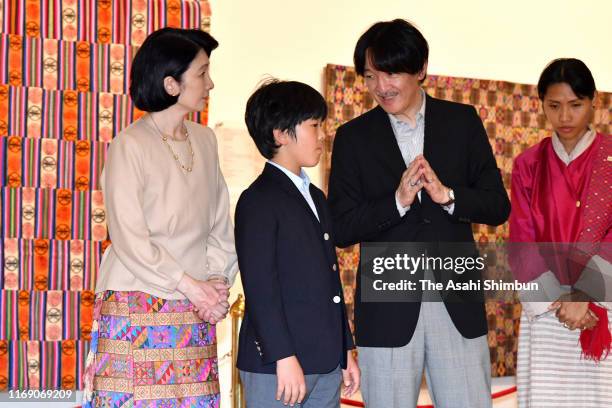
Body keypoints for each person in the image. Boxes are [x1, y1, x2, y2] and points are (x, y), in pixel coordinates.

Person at [328, 19, 510, 408]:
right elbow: (340, 227)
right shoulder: (352, 137)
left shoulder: (463, 121)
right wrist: (396, 201)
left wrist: (448, 197)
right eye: (371, 75)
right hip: (387, 306)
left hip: (456, 304)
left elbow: (497, 205)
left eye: (391, 72)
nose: (381, 86)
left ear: (421, 69)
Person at [82, 28, 237, 407]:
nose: (210, 83)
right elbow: (129, 238)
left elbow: (220, 225)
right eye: (202, 73)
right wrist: (190, 285)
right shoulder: (128, 146)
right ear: (171, 83)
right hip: (138, 302)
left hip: (194, 307)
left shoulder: (206, 140)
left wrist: (216, 283)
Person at [235, 79, 360, 407]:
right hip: (278, 366)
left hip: (325, 360)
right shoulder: (258, 199)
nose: (322, 135)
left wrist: (345, 348)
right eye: (314, 125)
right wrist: (284, 357)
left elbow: (330, 279)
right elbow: (260, 287)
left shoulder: (316, 197)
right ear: (280, 133)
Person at [509, 58, 612, 407]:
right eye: (554, 106)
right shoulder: (528, 165)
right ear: (541, 106)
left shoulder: (610, 159)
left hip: (602, 306)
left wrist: (585, 293)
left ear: (593, 103)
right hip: (550, 309)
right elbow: (522, 240)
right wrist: (562, 300)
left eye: (575, 105)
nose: (565, 117)